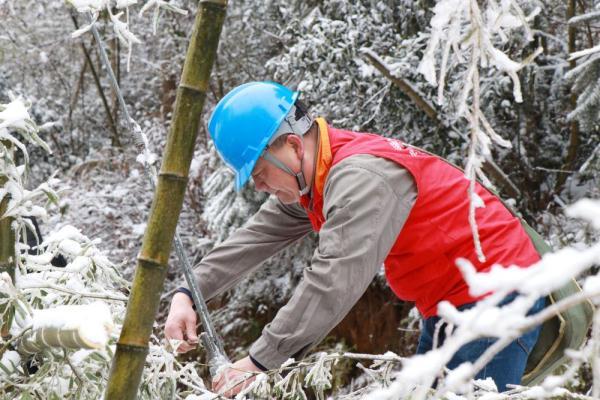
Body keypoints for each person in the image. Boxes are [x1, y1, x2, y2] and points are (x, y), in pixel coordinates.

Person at [164, 81, 545, 395]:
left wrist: (259, 360)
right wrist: (188, 293)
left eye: (261, 174)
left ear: (293, 147)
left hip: (498, 296)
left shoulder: (360, 178)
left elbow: (334, 280)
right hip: (451, 304)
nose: (261, 187)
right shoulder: (318, 178)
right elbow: (256, 237)